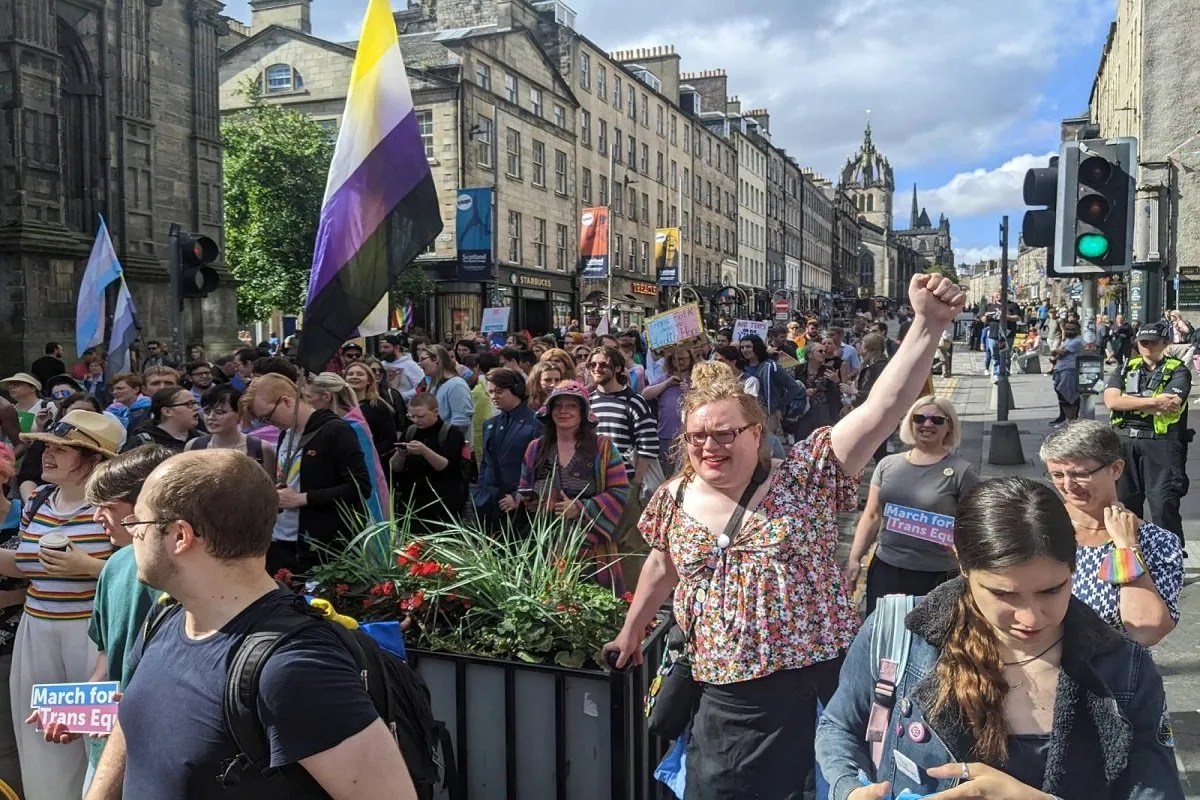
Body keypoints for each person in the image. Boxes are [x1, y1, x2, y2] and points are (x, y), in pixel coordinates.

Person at [605, 274, 967, 800]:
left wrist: (927, 325)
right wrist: (632, 630)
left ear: (756, 433)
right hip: (731, 699)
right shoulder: (674, 497)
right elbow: (663, 566)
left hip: (826, 686)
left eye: (725, 433)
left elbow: (879, 411)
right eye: (698, 436)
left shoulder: (806, 473)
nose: (710, 445)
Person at [815, 477, 1183, 800]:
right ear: (962, 564)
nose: (1031, 618)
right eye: (1004, 595)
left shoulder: (1125, 669)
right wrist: (850, 788)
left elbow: (1156, 789)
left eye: (1052, 591)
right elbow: (840, 726)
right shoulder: (898, 631)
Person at [84, 450, 417, 800]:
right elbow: (132, 725)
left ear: (180, 536)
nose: (132, 535)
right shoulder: (165, 618)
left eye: (138, 523)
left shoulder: (294, 667)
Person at [0, 411, 121, 798]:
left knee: (91, 737)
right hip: (37, 632)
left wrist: (87, 567)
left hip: (90, 638)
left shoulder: (113, 507)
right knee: (40, 736)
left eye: (64, 449)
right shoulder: (38, 500)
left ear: (96, 459)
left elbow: (142, 572)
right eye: (49, 446)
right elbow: (23, 562)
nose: (48, 454)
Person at [1040, 421, 1181, 645]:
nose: (1068, 485)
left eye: (1080, 474)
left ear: (1115, 469)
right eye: (1057, 474)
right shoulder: (1037, 528)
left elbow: (1147, 631)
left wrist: (1126, 548)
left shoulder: (1157, 542)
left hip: (1113, 675)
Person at [845, 396, 978, 615]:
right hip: (887, 570)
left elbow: (975, 524)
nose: (927, 424)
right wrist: (854, 559)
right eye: (919, 418)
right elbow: (871, 516)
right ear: (910, 422)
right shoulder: (888, 465)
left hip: (937, 575)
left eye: (936, 420)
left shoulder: (962, 471)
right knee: (885, 640)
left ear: (949, 427)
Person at [242, 374, 371, 575]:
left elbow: (360, 488)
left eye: (268, 417)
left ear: (286, 401)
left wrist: (302, 499)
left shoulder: (336, 430)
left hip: (320, 544)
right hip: (282, 538)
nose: (268, 424)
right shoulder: (286, 432)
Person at [516, 381, 629, 592]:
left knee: (594, 607)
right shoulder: (536, 448)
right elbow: (524, 488)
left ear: (583, 412)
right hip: (545, 546)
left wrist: (580, 508)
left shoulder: (602, 448)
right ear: (549, 412)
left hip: (592, 548)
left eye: (571, 406)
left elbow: (620, 491)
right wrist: (536, 501)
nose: (563, 411)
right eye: (558, 406)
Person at [1103, 320, 1190, 546]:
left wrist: (1129, 402)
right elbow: (1112, 401)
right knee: (1125, 504)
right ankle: (1132, 555)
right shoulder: (1125, 368)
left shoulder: (1178, 370)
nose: (1147, 346)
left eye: (1153, 342)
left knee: (1164, 505)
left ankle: (1171, 559)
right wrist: (1152, 402)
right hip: (1124, 444)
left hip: (1161, 445)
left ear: (1166, 343)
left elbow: (1171, 402)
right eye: (1143, 342)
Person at [473, 369, 540, 529]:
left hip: (520, 511)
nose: (494, 396)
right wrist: (479, 494)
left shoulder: (536, 423)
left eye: (499, 392)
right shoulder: (490, 424)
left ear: (516, 390)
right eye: (490, 392)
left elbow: (541, 467)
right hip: (488, 505)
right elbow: (485, 463)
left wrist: (519, 496)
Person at [392, 394, 467, 529]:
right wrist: (401, 454)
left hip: (442, 499)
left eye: (421, 416)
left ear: (435, 412)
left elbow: (446, 466)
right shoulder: (410, 431)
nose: (416, 420)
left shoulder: (451, 432)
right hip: (413, 499)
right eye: (411, 416)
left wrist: (424, 451)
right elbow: (395, 467)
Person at [185, 385, 275, 475]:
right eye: (207, 412)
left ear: (239, 414)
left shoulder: (260, 448)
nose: (211, 417)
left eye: (220, 412)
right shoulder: (194, 446)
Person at [642, 347, 695, 475]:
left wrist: (690, 390)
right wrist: (667, 383)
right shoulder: (665, 378)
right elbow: (645, 394)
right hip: (666, 436)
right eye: (678, 359)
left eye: (684, 359)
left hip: (689, 435)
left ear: (690, 359)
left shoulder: (696, 379)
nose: (681, 362)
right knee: (666, 474)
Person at [344, 361, 398, 462]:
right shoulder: (339, 406)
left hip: (371, 461)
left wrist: (368, 453)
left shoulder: (378, 406)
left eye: (360, 374)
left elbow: (390, 439)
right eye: (350, 374)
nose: (354, 377)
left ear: (369, 380)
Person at [417, 344, 474, 439]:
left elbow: (462, 421)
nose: (419, 364)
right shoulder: (434, 384)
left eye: (422, 359)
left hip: (451, 445)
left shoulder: (456, 384)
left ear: (436, 359)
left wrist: (446, 440)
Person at [123, 386, 201, 452]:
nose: (197, 408)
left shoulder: (200, 439)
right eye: (189, 404)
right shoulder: (142, 443)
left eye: (195, 403)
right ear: (167, 411)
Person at [1050, 320, 1084, 424]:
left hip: (1070, 370)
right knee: (1062, 394)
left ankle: (1072, 420)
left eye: (1072, 329)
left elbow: (1062, 352)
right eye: (1068, 329)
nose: (1069, 331)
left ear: (1078, 330)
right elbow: (1058, 353)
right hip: (1061, 369)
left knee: (1069, 396)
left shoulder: (1077, 341)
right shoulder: (1068, 340)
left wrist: (1055, 351)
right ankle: (1066, 419)